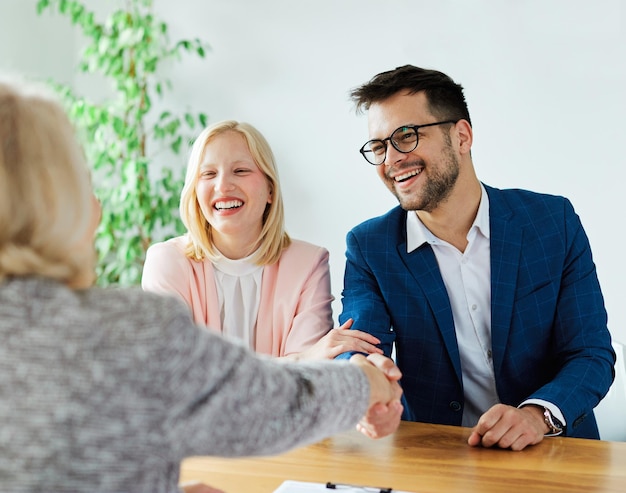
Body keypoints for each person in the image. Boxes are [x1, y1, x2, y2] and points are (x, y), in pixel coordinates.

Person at [0, 77, 403, 492]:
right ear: (56, 205)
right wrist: (366, 381)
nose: (99, 206)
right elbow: (264, 402)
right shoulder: (130, 329)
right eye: (83, 184)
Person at [337, 64, 616, 451]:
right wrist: (362, 376)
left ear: (462, 136)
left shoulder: (552, 223)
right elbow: (360, 342)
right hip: (439, 454)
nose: (391, 159)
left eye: (406, 136)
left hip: (554, 450)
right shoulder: (370, 246)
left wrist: (536, 416)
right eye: (379, 146)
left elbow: (590, 353)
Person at [142, 120, 381, 360]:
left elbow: (306, 383)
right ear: (194, 191)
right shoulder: (166, 262)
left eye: (240, 171)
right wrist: (300, 359)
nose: (223, 186)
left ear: (270, 189)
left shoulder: (309, 264)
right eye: (209, 174)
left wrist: (303, 364)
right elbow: (175, 375)